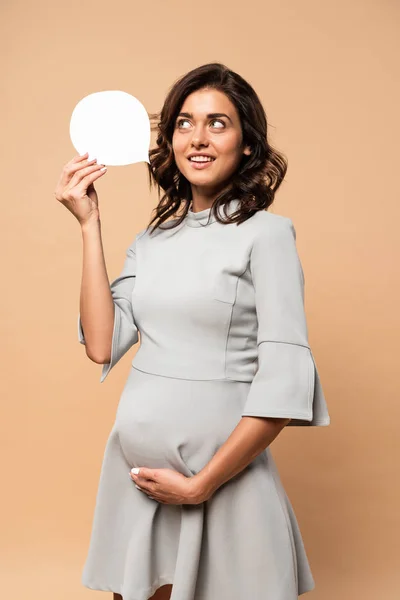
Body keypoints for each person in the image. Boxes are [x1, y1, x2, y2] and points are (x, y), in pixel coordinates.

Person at [55, 62, 330, 600]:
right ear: (170, 139)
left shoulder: (266, 236)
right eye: (184, 123)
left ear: (247, 144)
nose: (198, 139)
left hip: (221, 484)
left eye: (218, 124)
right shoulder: (152, 240)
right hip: (140, 485)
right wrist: (90, 227)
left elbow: (283, 385)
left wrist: (202, 484)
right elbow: (100, 343)